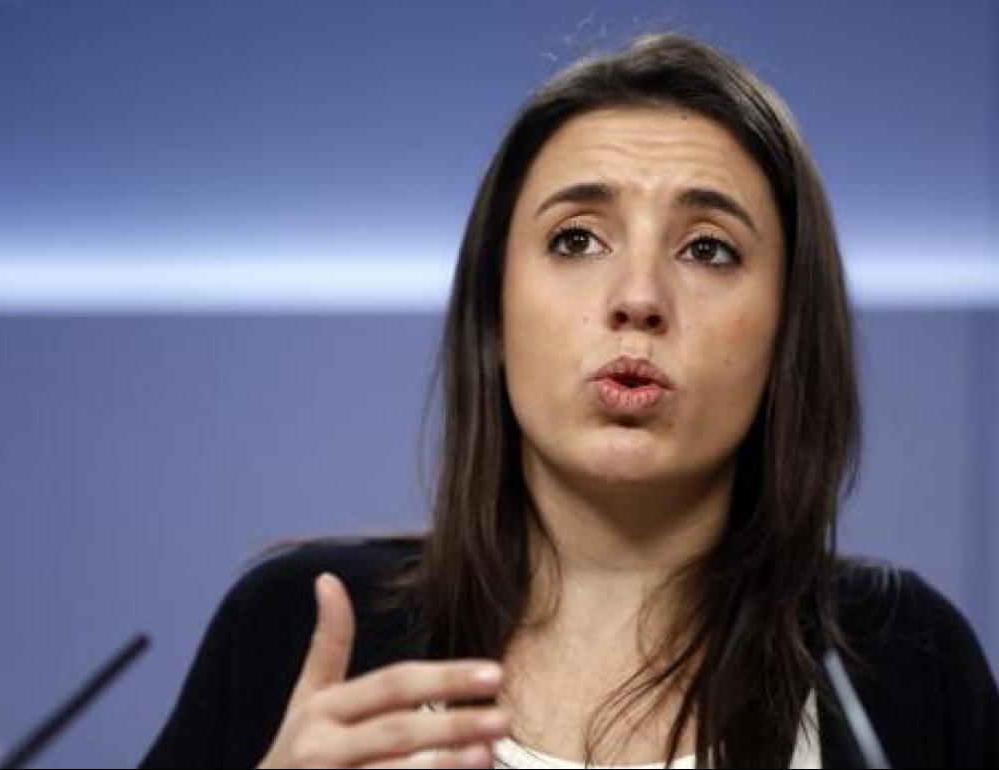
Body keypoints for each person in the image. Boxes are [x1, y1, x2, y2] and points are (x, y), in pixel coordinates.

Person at [140, 32, 999, 769]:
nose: (638, 298)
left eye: (707, 249)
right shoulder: (297, 627)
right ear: (494, 316)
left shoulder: (907, 656)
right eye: (577, 239)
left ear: (787, 333)